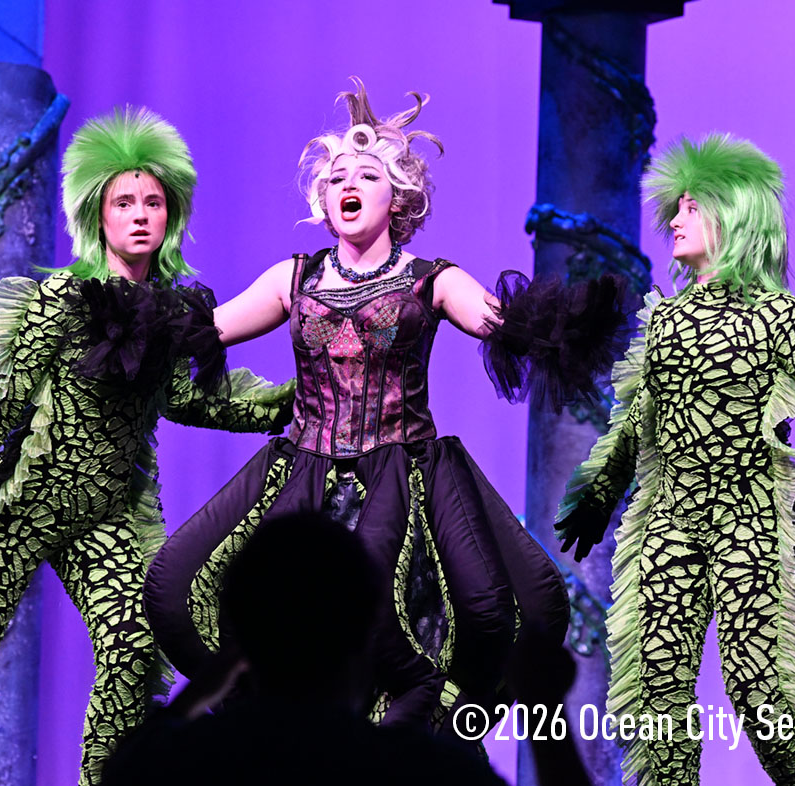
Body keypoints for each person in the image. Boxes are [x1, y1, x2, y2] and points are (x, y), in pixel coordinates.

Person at [0, 107, 295, 786]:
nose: (140, 215)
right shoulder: (62, 300)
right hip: (22, 506)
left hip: (109, 515)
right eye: (124, 202)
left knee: (134, 647)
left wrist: (298, 400)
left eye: (153, 202)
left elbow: (192, 397)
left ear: (171, 214)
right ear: (97, 213)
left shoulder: (171, 315)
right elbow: (2, 396)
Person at [144, 80, 626, 732]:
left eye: (367, 175)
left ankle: (430, 722)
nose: (349, 183)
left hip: (404, 475)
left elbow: (501, 323)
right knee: (175, 584)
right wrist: (123, 311)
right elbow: (205, 329)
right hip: (305, 472)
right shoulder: (295, 278)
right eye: (337, 177)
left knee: (497, 606)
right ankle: (257, 711)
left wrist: (570, 322)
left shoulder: (431, 280)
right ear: (324, 199)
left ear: (397, 197)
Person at [555, 134, 795, 786]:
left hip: (748, 518)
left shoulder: (776, 315)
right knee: (655, 684)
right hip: (666, 520)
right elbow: (637, 418)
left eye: (692, 206)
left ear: (734, 215)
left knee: (759, 681)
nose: (675, 220)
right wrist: (600, 487)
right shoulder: (664, 319)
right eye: (675, 207)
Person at [71, 513, 594, 786]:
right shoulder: (416, 774)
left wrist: (188, 704)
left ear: (240, 638)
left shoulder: (176, 769)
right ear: (368, 633)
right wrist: (542, 704)